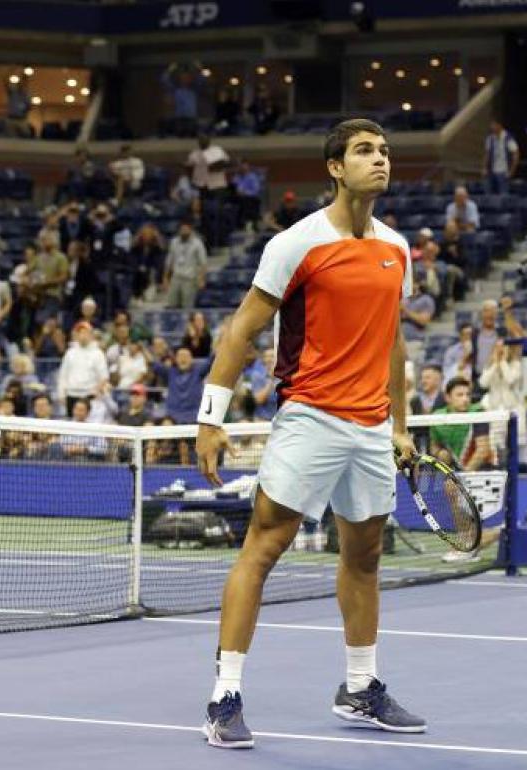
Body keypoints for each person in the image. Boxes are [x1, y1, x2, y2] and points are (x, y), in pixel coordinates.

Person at [194, 118, 424, 748]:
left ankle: (360, 686)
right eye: (364, 151)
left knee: (365, 556)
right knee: (263, 548)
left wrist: (401, 426)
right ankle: (224, 697)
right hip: (310, 417)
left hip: (372, 427)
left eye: (384, 151)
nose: (380, 160)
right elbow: (241, 330)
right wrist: (210, 417)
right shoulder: (296, 243)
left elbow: (394, 343)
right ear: (334, 167)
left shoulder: (397, 248)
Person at [56, 321, 110, 416]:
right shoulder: (70, 353)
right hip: (71, 394)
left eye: (85, 332)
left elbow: (104, 377)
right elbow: (63, 375)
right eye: (80, 333)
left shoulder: (98, 354)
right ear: (76, 335)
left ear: (91, 335)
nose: (83, 335)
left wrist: (96, 393)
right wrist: (61, 394)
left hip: (89, 395)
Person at [163, 220, 208, 309]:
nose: (184, 231)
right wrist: (165, 278)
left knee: (187, 306)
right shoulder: (174, 242)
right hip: (176, 278)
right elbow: (169, 261)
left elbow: (203, 263)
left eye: (186, 229)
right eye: (182, 229)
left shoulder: (197, 243)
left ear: (190, 230)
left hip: (189, 279)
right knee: (172, 304)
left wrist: (202, 279)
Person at [483, 119, 519, 194]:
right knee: (489, 192)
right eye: (491, 125)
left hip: (504, 171)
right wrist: (485, 168)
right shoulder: (490, 139)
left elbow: (515, 155)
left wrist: (511, 171)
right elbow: (487, 154)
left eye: (493, 125)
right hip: (492, 171)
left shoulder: (508, 138)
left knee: (503, 194)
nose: (491, 127)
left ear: (499, 126)